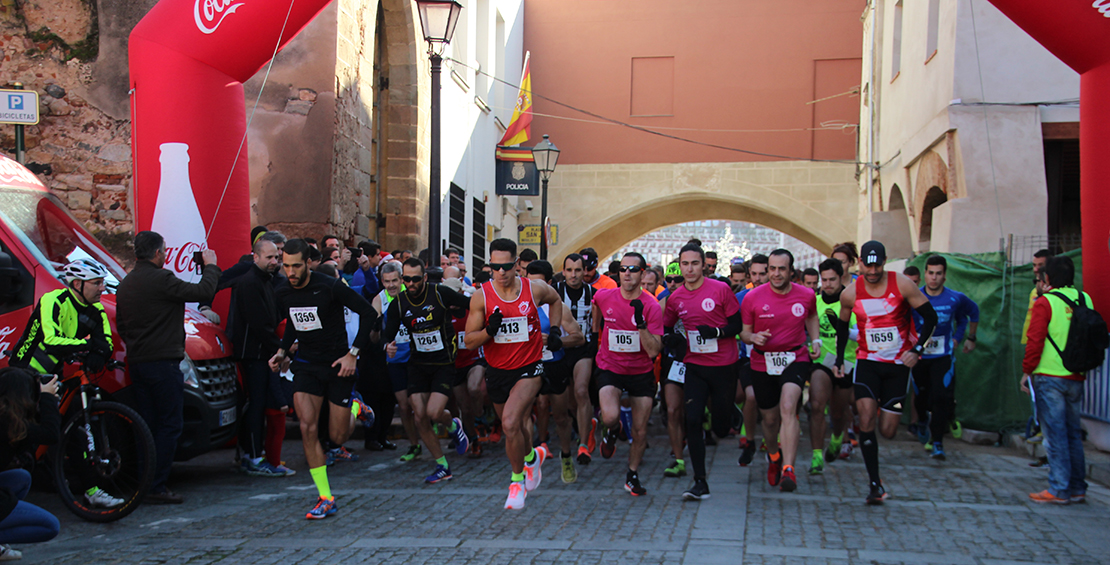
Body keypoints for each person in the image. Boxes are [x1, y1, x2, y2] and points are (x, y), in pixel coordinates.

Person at [267, 239, 377, 519]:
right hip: (305, 366)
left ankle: (356, 408)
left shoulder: (328, 286)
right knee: (307, 427)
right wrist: (282, 351)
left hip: (337, 365)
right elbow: (294, 321)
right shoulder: (283, 292)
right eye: (286, 265)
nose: (290, 272)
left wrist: (353, 354)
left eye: (295, 266)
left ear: (308, 263)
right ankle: (325, 497)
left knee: (338, 436)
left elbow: (367, 312)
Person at [117, 231, 220, 504]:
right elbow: (202, 291)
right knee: (169, 424)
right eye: (163, 251)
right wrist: (210, 266)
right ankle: (157, 484)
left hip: (138, 362)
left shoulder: (126, 283)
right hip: (162, 363)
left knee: (146, 424)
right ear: (158, 253)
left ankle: (144, 480)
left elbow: (123, 327)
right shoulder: (161, 279)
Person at [832, 240, 937, 505]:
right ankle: (874, 484)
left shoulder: (902, 284)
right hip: (867, 363)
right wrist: (839, 361)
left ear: (885, 261)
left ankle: (883, 414)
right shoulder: (850, 293)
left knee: (888, 430)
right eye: (868, 265)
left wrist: (918, 350)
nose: (873, 270)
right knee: (866, 418)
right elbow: (843, 328)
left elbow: (931, 317)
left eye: (878, 264)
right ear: (861, 264)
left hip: (898, 367)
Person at [464, 238, 564, 510]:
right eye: (495, 267)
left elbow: (556, 301)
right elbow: (469, 341)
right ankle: (532, 457)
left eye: (507, 266)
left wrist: (554, 331)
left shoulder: (535, 289)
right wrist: (489, 331)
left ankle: (516, 481)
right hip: (497, 370)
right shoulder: (481, 296)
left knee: (509, 423)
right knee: (517, 427)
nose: (502, 272)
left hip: (529, 367)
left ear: (517, 264)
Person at [381, 258, 472, 484]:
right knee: (419, 415)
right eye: (407, 279)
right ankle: (442, 465)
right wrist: (387, 345)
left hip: (443, 363)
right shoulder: (399, 303)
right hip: (418, 364)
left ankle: (453, 425)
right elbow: (388, 332)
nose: (410, 284)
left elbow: (470, 305)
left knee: (433, 412)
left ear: (423, 278)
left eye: (415, 279)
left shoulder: (439, 293)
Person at [663, 242, 741, 501]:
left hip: (724, 365)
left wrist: (717, 333)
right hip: (694, 366)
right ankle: (700, 482)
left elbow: (736, 324)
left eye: (695, 263)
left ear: (704, 266)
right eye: (685, 264)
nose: (689, 269)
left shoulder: (720, 289)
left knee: (720, 428)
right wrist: (673, 340)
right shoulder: (675, 299)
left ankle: (728, 411)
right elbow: (667, 327)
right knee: (692, 420)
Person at [739, 249, 819, 492]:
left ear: (791, 271)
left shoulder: (805, 295)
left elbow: (812, 317)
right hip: (763, 362)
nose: (775, 274)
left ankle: (789, 469)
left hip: (795, 358)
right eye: (772, 269)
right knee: (771, 419)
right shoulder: (753, 297)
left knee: (788, 406)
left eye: (781, 269)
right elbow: (743, 332)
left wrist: (815, 341)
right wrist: (753, 337)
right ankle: (773, 454)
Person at [216, 238, 294, 477]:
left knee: (260, 404)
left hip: (261, 352)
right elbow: (260, 324)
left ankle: (253, 454)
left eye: (276, 257)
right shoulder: (251, 282)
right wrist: (282, 349)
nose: (274, 261)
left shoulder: (265, 281)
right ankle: (252, 456)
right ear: (256, 257)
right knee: (256, 405)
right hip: (253, 353)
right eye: (269, 257)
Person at [592, 252, 664, 496]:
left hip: (641, 371)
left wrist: (640, 323)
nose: (627, 274)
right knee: (611, 417)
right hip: (610, 366)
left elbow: (654, 350)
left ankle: (632, 475)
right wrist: (595, 331)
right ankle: (611, 432)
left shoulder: (652, 306)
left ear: (642, 274)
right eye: (623, 269)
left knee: (639, 431)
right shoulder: (604, 295)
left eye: (633, 270)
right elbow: (596, 306)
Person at [1022, 255, 1090, 505]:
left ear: (1047, 278)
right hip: (1077, 376)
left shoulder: (1045, 302)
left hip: (1049, 376)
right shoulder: (1084, 299)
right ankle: (1076, 487)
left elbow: (1035, 340)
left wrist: (1027, 371)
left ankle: (1059, 488)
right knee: (1073, 433)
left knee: (1055, 434)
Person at [911, 255, 979, 460]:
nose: (934, 278)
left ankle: (938, 443)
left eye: (938, 273)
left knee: (942, 397)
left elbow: (971, 312)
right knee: (922, 399)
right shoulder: (914, 297)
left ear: (945, 276)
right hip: (920, 357)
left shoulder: (955, 298)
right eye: (930, 273)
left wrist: (966, 338)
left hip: (943, 356)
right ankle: (922, 420)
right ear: (925, 274)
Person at [525, 260, 584, 484]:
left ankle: (566, 456)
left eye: (538, 284)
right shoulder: (520, 306)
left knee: (560, 416)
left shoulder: (557, 307)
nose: (533, 289)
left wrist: (557, 341)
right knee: (524, 412)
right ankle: (530, 457)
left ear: (549, 284)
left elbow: (579, 336)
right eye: (529, 284)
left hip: (554, 365)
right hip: (529, 366)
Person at [0, 368, 62, 560]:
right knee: (49, 526)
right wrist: (47, 398)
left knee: (21, 478)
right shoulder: (8, 424)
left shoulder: (7, 419)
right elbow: (50, 434)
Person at [371, 261, 422, 461]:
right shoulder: (379, 300)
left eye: (395, 281)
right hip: (394, 359)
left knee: (419, 405)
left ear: (402, 280)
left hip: (416, 356)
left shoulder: (410, 295)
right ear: (382, 281)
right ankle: (413, 445)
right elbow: (374, 338)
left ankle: (431, 430)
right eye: (386, 281)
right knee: (403, 406)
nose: (391, 285)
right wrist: (376, 330)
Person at [555, 253, 600, 465]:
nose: (573, 275)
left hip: (583, 349)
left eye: (578, 270)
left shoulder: (594, 294)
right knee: (571, 401)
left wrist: (594, 342)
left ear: (585, 272)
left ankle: (583, 445)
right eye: (569, 270)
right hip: (561, 348)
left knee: (581, 391)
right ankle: (586, 423)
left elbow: (597, 324)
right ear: (563, 272)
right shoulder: (555, 292)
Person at [813, 258, 857, 465]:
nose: (828, 284)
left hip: (846, 362)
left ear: (841, 278)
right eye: (824, 280)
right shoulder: (815, 301)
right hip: (822, 362)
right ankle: (817, 455)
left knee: (838, 413)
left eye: (832, 279)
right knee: (816, 405)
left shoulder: (851, 301)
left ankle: (838, 438)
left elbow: (860, 333)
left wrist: (844, 330)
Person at [735, 253, 769, 466]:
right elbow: (732, 328)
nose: (758, 278)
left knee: (775, 402)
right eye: (754, 274)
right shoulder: (741, 299)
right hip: (748, 357)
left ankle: (770, 438)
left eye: (762, 274)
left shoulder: (782, 296)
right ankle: (748, 436)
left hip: (777, 358)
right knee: (751, 396)